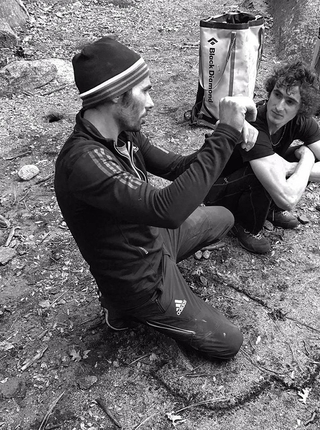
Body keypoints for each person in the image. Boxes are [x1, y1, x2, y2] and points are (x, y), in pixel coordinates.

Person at [54, 36, 258, 360]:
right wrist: (225, 135)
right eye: (145, 91)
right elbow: (167, 209)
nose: (151, 103)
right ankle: (122, 306)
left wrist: (230, 140)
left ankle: (147, 285)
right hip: (141, 280)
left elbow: (178, 168)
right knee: (228, 341)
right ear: (115, 97)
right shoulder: (82, 164)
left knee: (224, 217)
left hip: (152, 237)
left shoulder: (124, 133)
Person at [204, 61, 320, 254]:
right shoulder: (254, 125)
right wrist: (306, 158)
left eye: (290, 101)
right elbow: (287, 199)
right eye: (277, 95)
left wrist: (292, 166)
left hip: (251, 174)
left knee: (288, 160)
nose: (279, 107)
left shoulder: (301, 122)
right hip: (217, 190)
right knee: (265, 169)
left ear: (301, 108)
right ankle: (246, 226)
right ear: (270, 92)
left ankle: (268, 209)